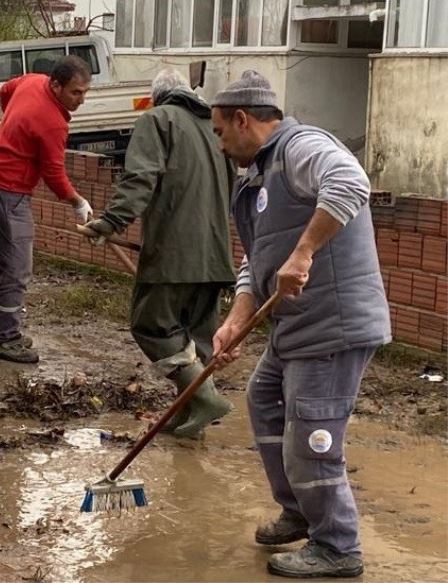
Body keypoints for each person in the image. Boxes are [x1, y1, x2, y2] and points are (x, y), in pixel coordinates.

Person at [209, 71, 391, 578]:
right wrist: (234, 321)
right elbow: (259, 260)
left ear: (243, 119)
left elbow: (352, 182)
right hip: (295, 325)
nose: (221, 145)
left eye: (221, 132)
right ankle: (299, 511)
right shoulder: (256, 177)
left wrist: (306, 250)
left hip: (333, 324)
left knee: (312, 433)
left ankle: (337, 545)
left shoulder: (302, 148)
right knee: (263, 400)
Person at [83, 68, 235, 438]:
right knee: (197, 340)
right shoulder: (214, 129)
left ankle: (206, 400)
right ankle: (192, 420)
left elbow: (141, 177)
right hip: (215, 257)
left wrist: (110, 222)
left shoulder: (157, 120)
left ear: (156, 98)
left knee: (151, 326)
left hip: (174, 255)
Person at [0, 55, 95, 364]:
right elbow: (54, 174)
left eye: (85, 92)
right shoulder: (52, 122)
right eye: (75, 92)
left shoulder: (32, 81)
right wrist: (77, 202)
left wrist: (14, 126)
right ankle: (8, 339)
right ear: (55, 84)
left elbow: (6, 90)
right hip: (8, 190)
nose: (81, 100)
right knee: (16, 267)